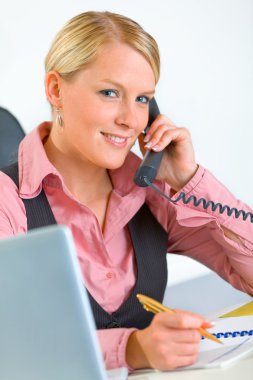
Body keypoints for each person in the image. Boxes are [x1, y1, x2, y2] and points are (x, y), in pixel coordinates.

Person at [0, 11, 253, 372]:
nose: (131, 120)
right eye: (110, 93)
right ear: (56, 90)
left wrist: (189, 180)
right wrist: (131, 348)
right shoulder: (8, 201)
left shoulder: (150, 193)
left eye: (142, 99)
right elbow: (9, 344)